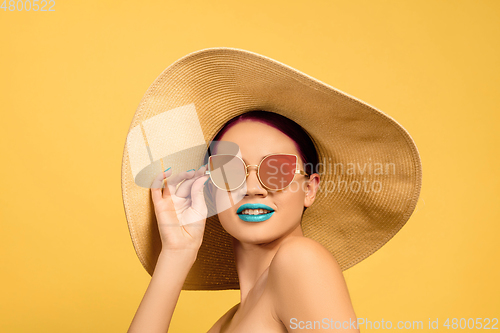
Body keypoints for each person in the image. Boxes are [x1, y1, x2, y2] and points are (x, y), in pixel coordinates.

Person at [122, 47, 422, 333]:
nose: (253, 188)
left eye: (277, 169)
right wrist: (177, 253)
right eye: (230, 172)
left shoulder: (301, 261)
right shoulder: (227, 323)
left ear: (310, 189)